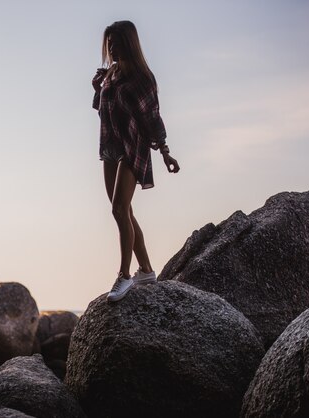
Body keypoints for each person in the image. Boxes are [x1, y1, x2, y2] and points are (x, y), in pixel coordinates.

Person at [91, 20, 180, 303]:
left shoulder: (142, 77)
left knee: (119, 209)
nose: (112, 49)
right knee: (124, 211)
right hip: (109, 147)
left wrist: (165, 151)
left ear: (129, 43)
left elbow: (152, 117)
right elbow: (103, 110)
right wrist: (98, 87)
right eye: (109, 44)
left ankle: (124, 275)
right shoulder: (111, 75)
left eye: (116, 43)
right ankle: (147, 270)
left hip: (133, 147)